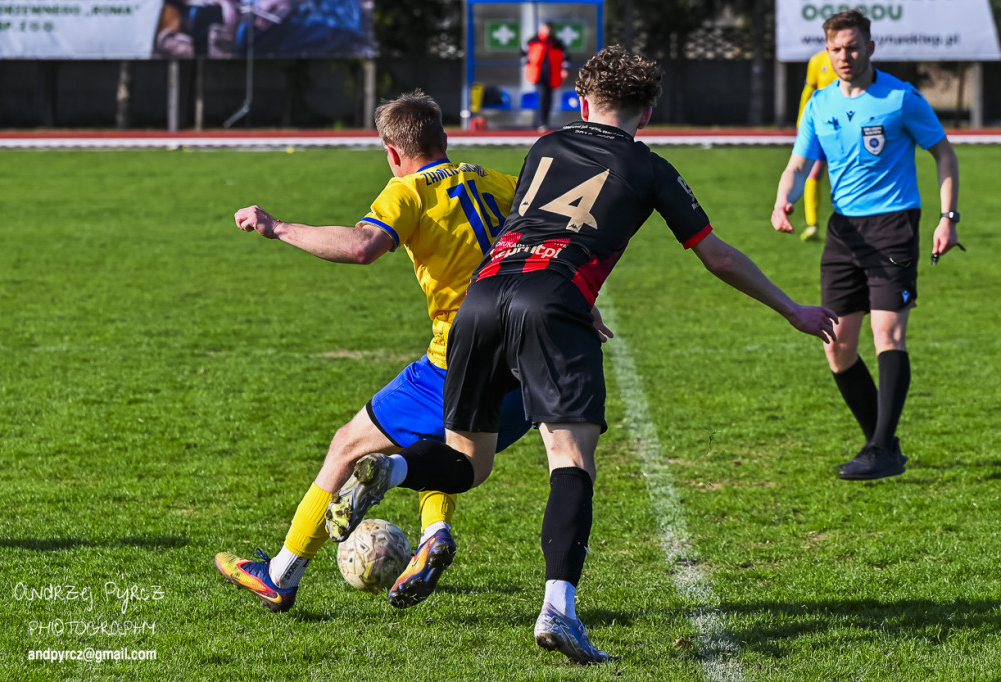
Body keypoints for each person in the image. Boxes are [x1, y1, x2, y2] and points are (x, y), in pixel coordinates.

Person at [323, 45, 838, 664]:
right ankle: (558, 612)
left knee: (469, 464)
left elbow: (517, 229)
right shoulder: (651, 169)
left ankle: (395, 469)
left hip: (481, 300)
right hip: (554, 301)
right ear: (647, 112)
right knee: (570, 459)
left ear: (580, 103)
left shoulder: (544, 144)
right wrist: (793, 310)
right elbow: (717, 256)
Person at [214, 90, 536, 613]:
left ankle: (280, 574)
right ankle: (434, 534)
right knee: (446, 451)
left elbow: (363, 246)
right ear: (444, 140)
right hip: (527, 358)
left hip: (457, 356)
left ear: (391, 152)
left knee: (348, 446)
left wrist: (278, 228)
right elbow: (543, 221)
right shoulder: (489, 179)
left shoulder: (404, 192)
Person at [771, 10, 960, 480]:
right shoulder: (819, 105)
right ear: (826, 52)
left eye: (852, 47)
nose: (844, 57)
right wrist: (783, 200)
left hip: (894, 226)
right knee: (836, 345)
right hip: (844, 232)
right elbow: (798, 166)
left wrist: (947, 217)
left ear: (871, 47)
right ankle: (886, 447)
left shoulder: (900, 98)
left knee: (887, 336)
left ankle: (878, 449)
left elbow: (944, 152)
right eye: (835, 49)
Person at [796, 48, 837, 242]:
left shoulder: (854, 61)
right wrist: (801, 122)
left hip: (849, 126)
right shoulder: (816, 60)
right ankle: (812, 223)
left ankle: (853, 221)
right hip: (822, 126)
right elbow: (808, 91)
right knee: (814, 171)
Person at [524, 22, 569, 132]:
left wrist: (565, 69)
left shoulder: (557, 43)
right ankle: (540, 122)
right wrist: (528, 65)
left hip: (552, 75)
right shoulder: (533, 41)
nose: (547, 30)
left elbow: (566, 58)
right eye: (545, 28)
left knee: (548, 98)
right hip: (537, 75)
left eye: (549, 28)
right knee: (542, 96)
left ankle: (544, 122)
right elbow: (523, 54)